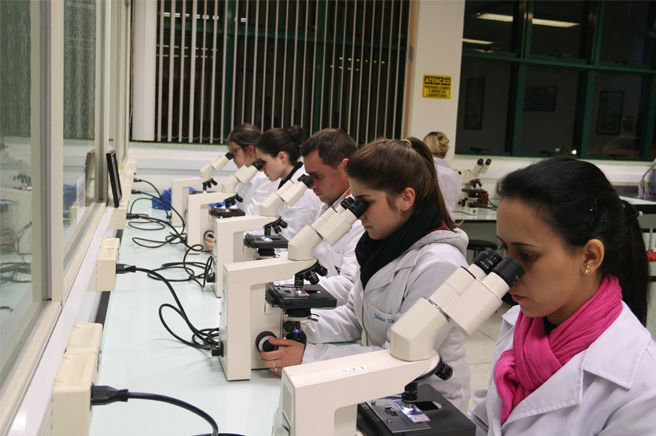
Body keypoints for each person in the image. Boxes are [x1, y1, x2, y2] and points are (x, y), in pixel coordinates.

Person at [261, 137, 472, 413]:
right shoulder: (380, 244)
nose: (357, 215)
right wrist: (297, 329)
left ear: (406, 198)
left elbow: (398, 358)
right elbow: (354, 317)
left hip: (424, 405)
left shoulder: (440, 264)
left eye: (364, 202)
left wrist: (309, 356)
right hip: (377, 389)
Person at [470, 158, 655, 435]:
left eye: (527, 255)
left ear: (589, 256)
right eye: (505, 248)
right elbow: (486, 422)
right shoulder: (517, 323)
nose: (507, 272)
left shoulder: (641, 384)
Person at [300, 128, 365, 306]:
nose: (311, 185)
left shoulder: (361, 218)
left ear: (346, 167)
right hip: (319, 307)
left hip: (337, 315)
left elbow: (348, 287)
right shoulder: (328, 206)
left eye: (317, 176)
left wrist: (287, 287)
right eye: (309, 177)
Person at [204, 123, 278, 250]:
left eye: (235, 152)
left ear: (250, 149)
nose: (232, 158)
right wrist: (216, 211)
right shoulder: (247, 174)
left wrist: (225, 243)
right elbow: (242, 208)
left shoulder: (265, 179)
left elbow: (255, 225)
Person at [255, 125, 322, 241]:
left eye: (263, 162)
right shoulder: (284, 182)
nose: (261, 169)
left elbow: (292, 239)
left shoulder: (302, 189)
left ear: (282, 157)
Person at [423, 131, 462, 217]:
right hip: (448, 223)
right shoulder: (455, 175)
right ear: (444, 154)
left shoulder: (421, 171)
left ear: (425, 151)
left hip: (426, 223)